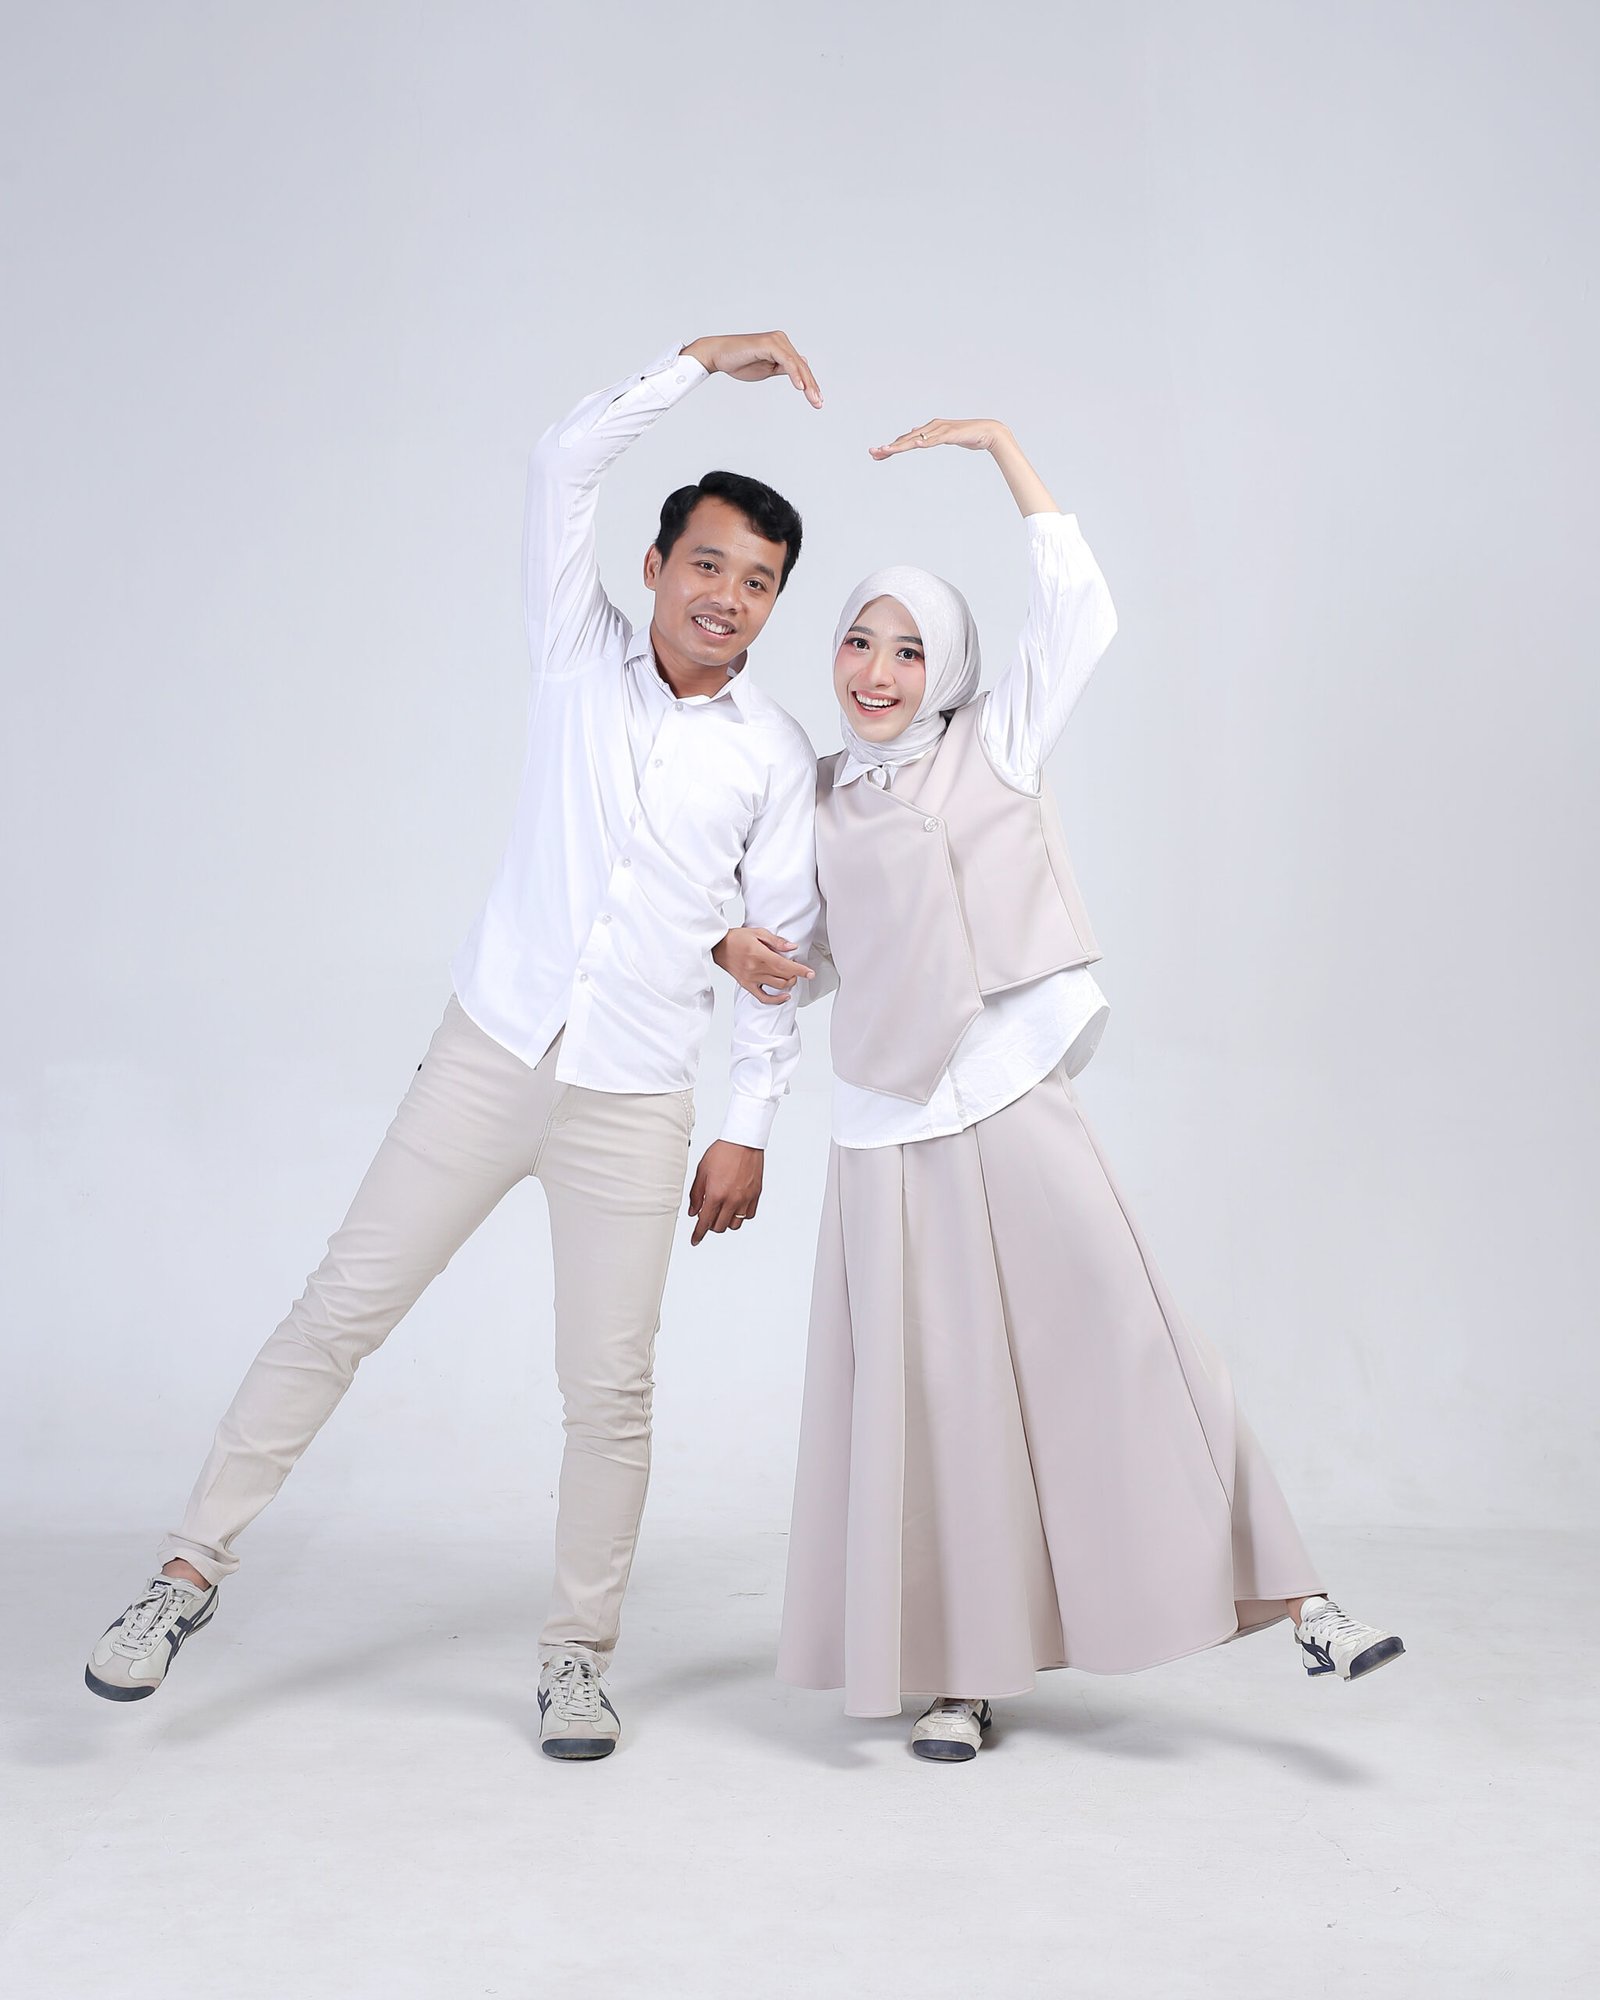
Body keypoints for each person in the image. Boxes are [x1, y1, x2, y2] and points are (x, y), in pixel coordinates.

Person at [84, 330, 825, 1761]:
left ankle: (575, 1657)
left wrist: (750, 1121)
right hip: (490, 1054)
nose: (727, 597)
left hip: (635, 1099)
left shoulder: (773, 754)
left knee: (609, 1392)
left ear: (772, 603)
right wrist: (691, 364)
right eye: (708, 564)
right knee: (340, 1310)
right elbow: (560, 463)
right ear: (656, 564)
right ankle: (185, 1574)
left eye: (757, 581)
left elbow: (781, 953)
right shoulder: (575, 652)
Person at [717, 415, 1404, 1763]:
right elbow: (800, 963)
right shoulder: (816, 796)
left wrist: (999, 448)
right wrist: (733, 951)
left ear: (950, 668)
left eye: (909, 649)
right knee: (937, 1403)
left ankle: (1301, 1600)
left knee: (1128, 1333)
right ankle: (961, 1678)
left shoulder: (999, 742)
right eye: (858, 641)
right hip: (886, 1128)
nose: (877, 671)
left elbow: (1080, 607)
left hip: (1004, 1087)